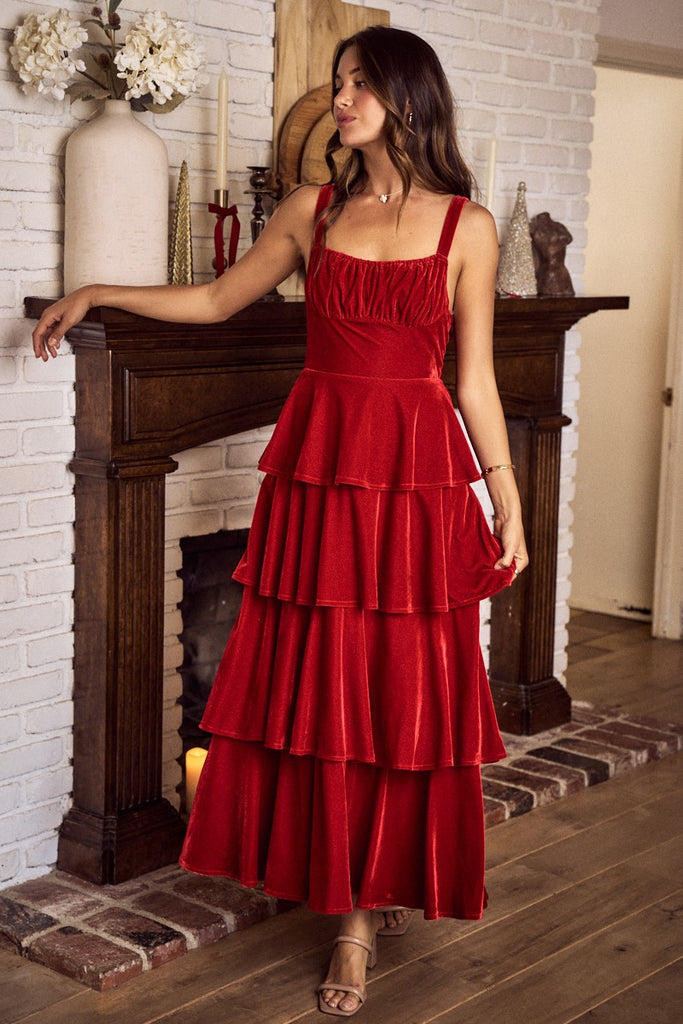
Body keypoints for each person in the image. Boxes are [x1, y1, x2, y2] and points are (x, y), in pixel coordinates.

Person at [33, 24, 528, 1019]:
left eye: (355, 84)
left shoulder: (461, 225)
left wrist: (506, 497)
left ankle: (369, 902)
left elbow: (469, 378)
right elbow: (218, 299)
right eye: (336, 81)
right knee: (321, 679)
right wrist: (95, 291)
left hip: (414, 481)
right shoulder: (312, 210)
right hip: (319, 471)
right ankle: (343, 898)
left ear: (405, 96)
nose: (338, 97)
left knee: (398, 686)